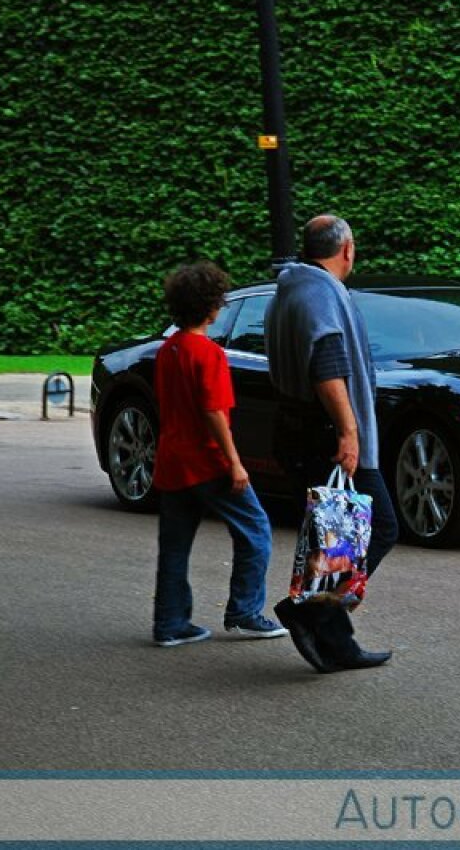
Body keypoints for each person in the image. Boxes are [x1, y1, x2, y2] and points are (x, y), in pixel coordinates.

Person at [264, 215, 399, 672]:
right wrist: (349, 429)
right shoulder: (320, 292)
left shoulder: (289, 289)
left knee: (336, 538)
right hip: (325, 435)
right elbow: (327, 361)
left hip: (297, 429)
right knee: (378, 527)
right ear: (347, 249)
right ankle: (311, 611)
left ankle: (335, 640)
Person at [151, 261, 288, 647]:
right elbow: (214, 413)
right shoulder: (208, 354)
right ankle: (244, 611)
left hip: (172, 460)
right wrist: (234, 462)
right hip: (207, 461)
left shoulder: (168, 351)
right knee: (256, 530)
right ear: (211, 306)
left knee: (175, 546)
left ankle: (170, 622)